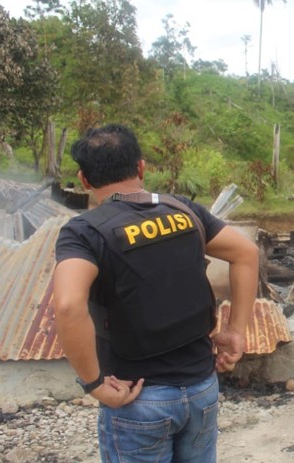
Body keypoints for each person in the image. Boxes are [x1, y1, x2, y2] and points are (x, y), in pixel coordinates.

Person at [53, 124, 259, 462]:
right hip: (202, 389)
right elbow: (246, 253)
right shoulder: (184, 209)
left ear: (85, 180)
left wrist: (94, 384)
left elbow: (67, 306)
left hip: (137, 398)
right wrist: (235, 331)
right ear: (141, 167)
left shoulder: (85, 232)